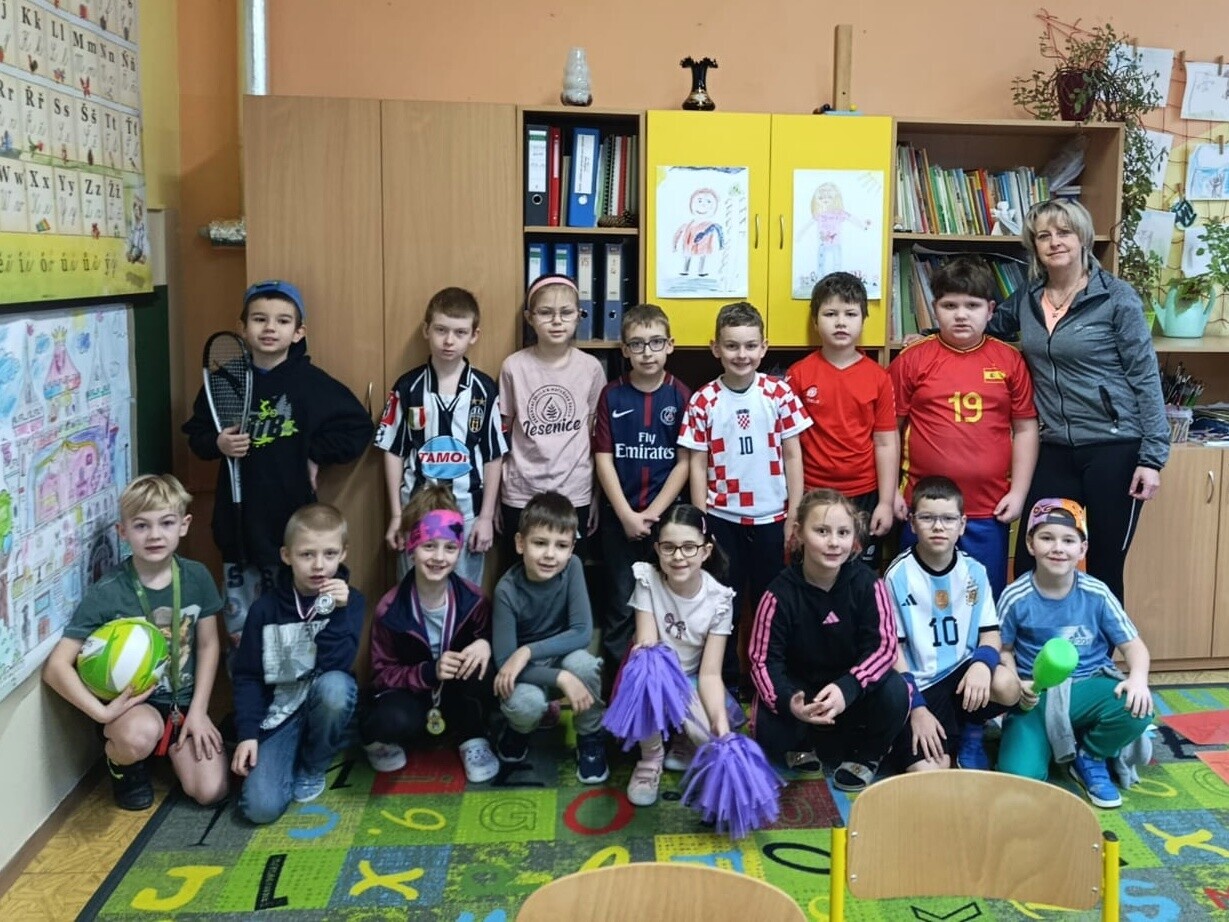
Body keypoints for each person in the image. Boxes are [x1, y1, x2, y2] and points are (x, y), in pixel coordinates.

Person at [182, 280, 373, 652]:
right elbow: (197, 435)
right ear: (242, 327)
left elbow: (358, 427)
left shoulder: (311, 383)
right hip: (238, 526)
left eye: (283, 321)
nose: (270, 328)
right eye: (259, 319)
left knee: (294, 626)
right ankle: (246, 688)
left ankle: (296, 689)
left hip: (292, 525)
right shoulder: (224, 381)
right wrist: (219, 443)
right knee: (244, 633)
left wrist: (314, 454)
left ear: (298, 332)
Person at [994, 200, 1169, 604]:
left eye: (1064, 232)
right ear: (1034, 245)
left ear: (1083, 237)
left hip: (1115, 448)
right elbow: (984, 327)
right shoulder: (1028, 296)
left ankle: (1104, 646)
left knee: (1104, 566)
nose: (1054, 242)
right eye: (1044, 235)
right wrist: (927, 338)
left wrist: (1152, 458)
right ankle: (1034, 641)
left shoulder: (1116, 298)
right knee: (1032, 558)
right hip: (1054, 446)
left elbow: (1145, 377)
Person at [43, 474, 229, 810]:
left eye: (166, 523)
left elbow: (208, 645)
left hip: (184, 705)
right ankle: (124, 765)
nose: (155, 535)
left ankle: (169, 747)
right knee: (136, 736)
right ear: (123, 531)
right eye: (141, 525)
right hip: (134, 709)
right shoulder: (108, 591)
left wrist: (200, 711)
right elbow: (56, 667)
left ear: (184, 525)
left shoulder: (196, 577)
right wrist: (102, 713)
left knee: (210, 792)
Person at [679, 301, 811, 694]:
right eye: (732, 346)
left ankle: (769, 682)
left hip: (772, 519)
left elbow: (793, 455)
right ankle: (726, 684)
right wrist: (701, 522)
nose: (742, 354)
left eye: (751, 346)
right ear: (715, 348)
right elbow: (697, 464)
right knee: (725, 605)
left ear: (764, 347)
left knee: (771, 605)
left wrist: (794, 514)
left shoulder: (778, 393)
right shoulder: (704, 399)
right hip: (723, 519)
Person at [890, 256, 1039, 597]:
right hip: (923, 509)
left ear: (990, 310)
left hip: (988, 509)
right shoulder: (911, 359)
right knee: (918, 599)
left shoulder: (1009, 360)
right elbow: (888, 432)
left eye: (972, 305)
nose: (960, 314)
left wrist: (1018, 494)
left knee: (982, 599)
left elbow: (1026, 430)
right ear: (934, 309)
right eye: (950, 305)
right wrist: (891, 494)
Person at [748, 489, 909, 792]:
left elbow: (884, 648)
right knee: (766, 719)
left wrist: (848, 687)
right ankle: (801, 744)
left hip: (852, 694)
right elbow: (763, 661)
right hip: (803, 697)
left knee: (896, 690)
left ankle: (867, 755)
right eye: (822, 531)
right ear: (799, 534)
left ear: (854, 538)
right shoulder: (778, 594)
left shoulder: (869, 584)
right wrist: (790, 702)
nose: (834, 542)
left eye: (843, 533)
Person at [997, 498, 1153, 809]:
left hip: (1087, 688)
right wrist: (1016, 682)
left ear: (1082, 550)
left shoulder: (1097, 592)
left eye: (1068, 541)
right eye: (1047, 538)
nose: (1058, 548)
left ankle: (1091, 755)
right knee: (1018, 779)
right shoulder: (1015, 596)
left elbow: (1134, 647)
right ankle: (1052, 740)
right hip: (1036, 696)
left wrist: (1138, 679)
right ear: (1030, 544)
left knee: (1138, 707)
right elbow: (1003, 649)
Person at [231, 504, 365, 824]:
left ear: (343, 554)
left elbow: (338, 664)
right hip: (279, 715)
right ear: (287, 555)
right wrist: (247, 734)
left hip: (323, 700)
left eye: (330, 554)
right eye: (307, 555)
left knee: (337, 688)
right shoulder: (264, 610)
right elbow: (247, 676)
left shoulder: (351, 602)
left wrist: (339, 613)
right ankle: (291, 753)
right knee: (259, 808)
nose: (319, 565)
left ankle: (313, 764)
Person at [361, 485, 500, 783]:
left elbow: (497, 645)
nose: (439, 557)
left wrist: (485, 644)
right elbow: (382, 675)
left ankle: (471, 735)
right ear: (411, 548)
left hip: (457, 694)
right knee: (390, 719)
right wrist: (428, 672)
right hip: (413, 697)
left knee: (486, 672)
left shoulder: (474, 601)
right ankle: (383, 740)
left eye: (450, 548)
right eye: (429, 546)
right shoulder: (390, 609)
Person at [884, 476, 1021, 773]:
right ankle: (930, 733)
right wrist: (917, 708)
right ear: (912, 523)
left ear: (962, 524)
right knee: (931, 773)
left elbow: (990, 633)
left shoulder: (975, 571)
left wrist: (982, 664)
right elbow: (894, 651)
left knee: (1008, 685)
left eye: (948, 519)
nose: (938, 527)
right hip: (922, 685)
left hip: (963, 674)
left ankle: (973, 729)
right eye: (927, 518)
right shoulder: (898, 576)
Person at [375, 286, 506, 585]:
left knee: (464, 596)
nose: (449, 341)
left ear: (474, 335)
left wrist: (486, 517)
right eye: (441, 330)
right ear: (426, 330)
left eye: (460, 332)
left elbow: (494, 457)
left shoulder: (485, 390)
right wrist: (397, 515)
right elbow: (393, 452)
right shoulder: (408, 387)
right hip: (416, 512)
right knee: (413, 592)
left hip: (467, 514)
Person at [622, 504, 744, 806]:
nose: (678, 556)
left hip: (691, 678)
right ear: (657, 549)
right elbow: (647, 644)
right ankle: (651, 758)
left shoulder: (720, 600)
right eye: (669, 547)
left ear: (706, 551)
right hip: (653, 672)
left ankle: (683, 737)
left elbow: (710, 674)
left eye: (689, 547)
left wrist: (718, 721)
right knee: (647, 666)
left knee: (709, 735)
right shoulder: (648, 579)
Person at [592, 303, 691, 671]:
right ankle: (620, 687)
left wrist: (652, 514)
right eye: (637, 344)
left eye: (656, 342)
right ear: (624, 350)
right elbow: (603, 459)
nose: (647, 352)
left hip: (666, 522)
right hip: (619, 520)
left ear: (670, 345)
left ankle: (668, 684)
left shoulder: (681, 395)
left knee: (668, 603)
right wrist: (627, 515)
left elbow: (684, 462)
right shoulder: (611, 395)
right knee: (620, 605)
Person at [492, 491, 608, 784]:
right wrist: (560, 678)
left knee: (585, 666)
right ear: (520, 543)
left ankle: (590, 737)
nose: (550, 554)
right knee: (526, 703)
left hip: (554, 657)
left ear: (571, 549)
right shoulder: (506, 590)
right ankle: (518, 729)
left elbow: (581, 632)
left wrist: (527, 651)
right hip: (526, 674)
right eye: (540, 543)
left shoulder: (573, 568)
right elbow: (505, 664)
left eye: (561, 546)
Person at [786, 272, 898, 567]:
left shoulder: (878, 377)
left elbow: (886, 443)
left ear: (863, 320)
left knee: (859, 573)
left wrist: (886, 502)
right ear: (815, 321)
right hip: (813, 491)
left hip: (864, 493)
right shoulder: (798, 375)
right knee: (812, 570)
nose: (840, 322)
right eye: (830, 314)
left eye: (850, 314)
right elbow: (789, 446)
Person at [498, 275, 606, 558]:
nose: (557, 321)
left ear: (579, 316)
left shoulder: (591, 368)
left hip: (574, 491)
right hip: (521, 492)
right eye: (546, 313)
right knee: (520, 570)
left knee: (569, 570)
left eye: (566, 313)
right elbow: (502, 434)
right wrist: (496, 497)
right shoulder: (513, 367)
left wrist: (595, 494)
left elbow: (595, 436)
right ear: (529, 318)